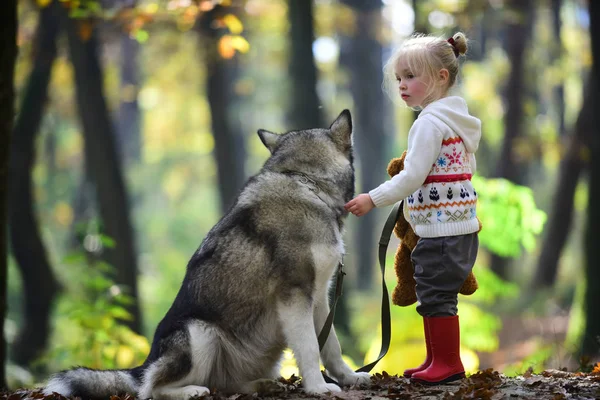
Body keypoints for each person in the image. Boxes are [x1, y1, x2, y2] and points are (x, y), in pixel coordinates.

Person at [344, 32, 481, 384]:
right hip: (459, 227)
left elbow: (412, 176)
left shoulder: (429, 123)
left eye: (411, 77)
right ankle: (437, 358)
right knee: (434, 292)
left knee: (436, 295)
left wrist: (371, 198)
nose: (402, 86)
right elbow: (463, 171)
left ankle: (448, 363)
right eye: (399, 78)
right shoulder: (456, 121)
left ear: (441, 77)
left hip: (440, 232)